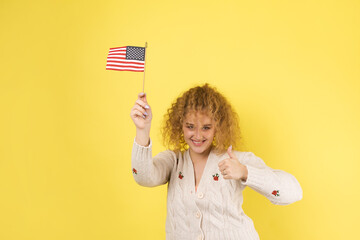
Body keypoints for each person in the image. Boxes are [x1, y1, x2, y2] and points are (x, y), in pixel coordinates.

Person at [130, 83, 302, 240]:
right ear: (180, 124)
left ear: (217, 127)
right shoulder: (174, 161)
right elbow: (143, 177)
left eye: (206, 127)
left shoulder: (237, 160)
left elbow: (292, 193)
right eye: (190, 126)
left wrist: (245, 172)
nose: (197, 136)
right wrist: (142, 130)